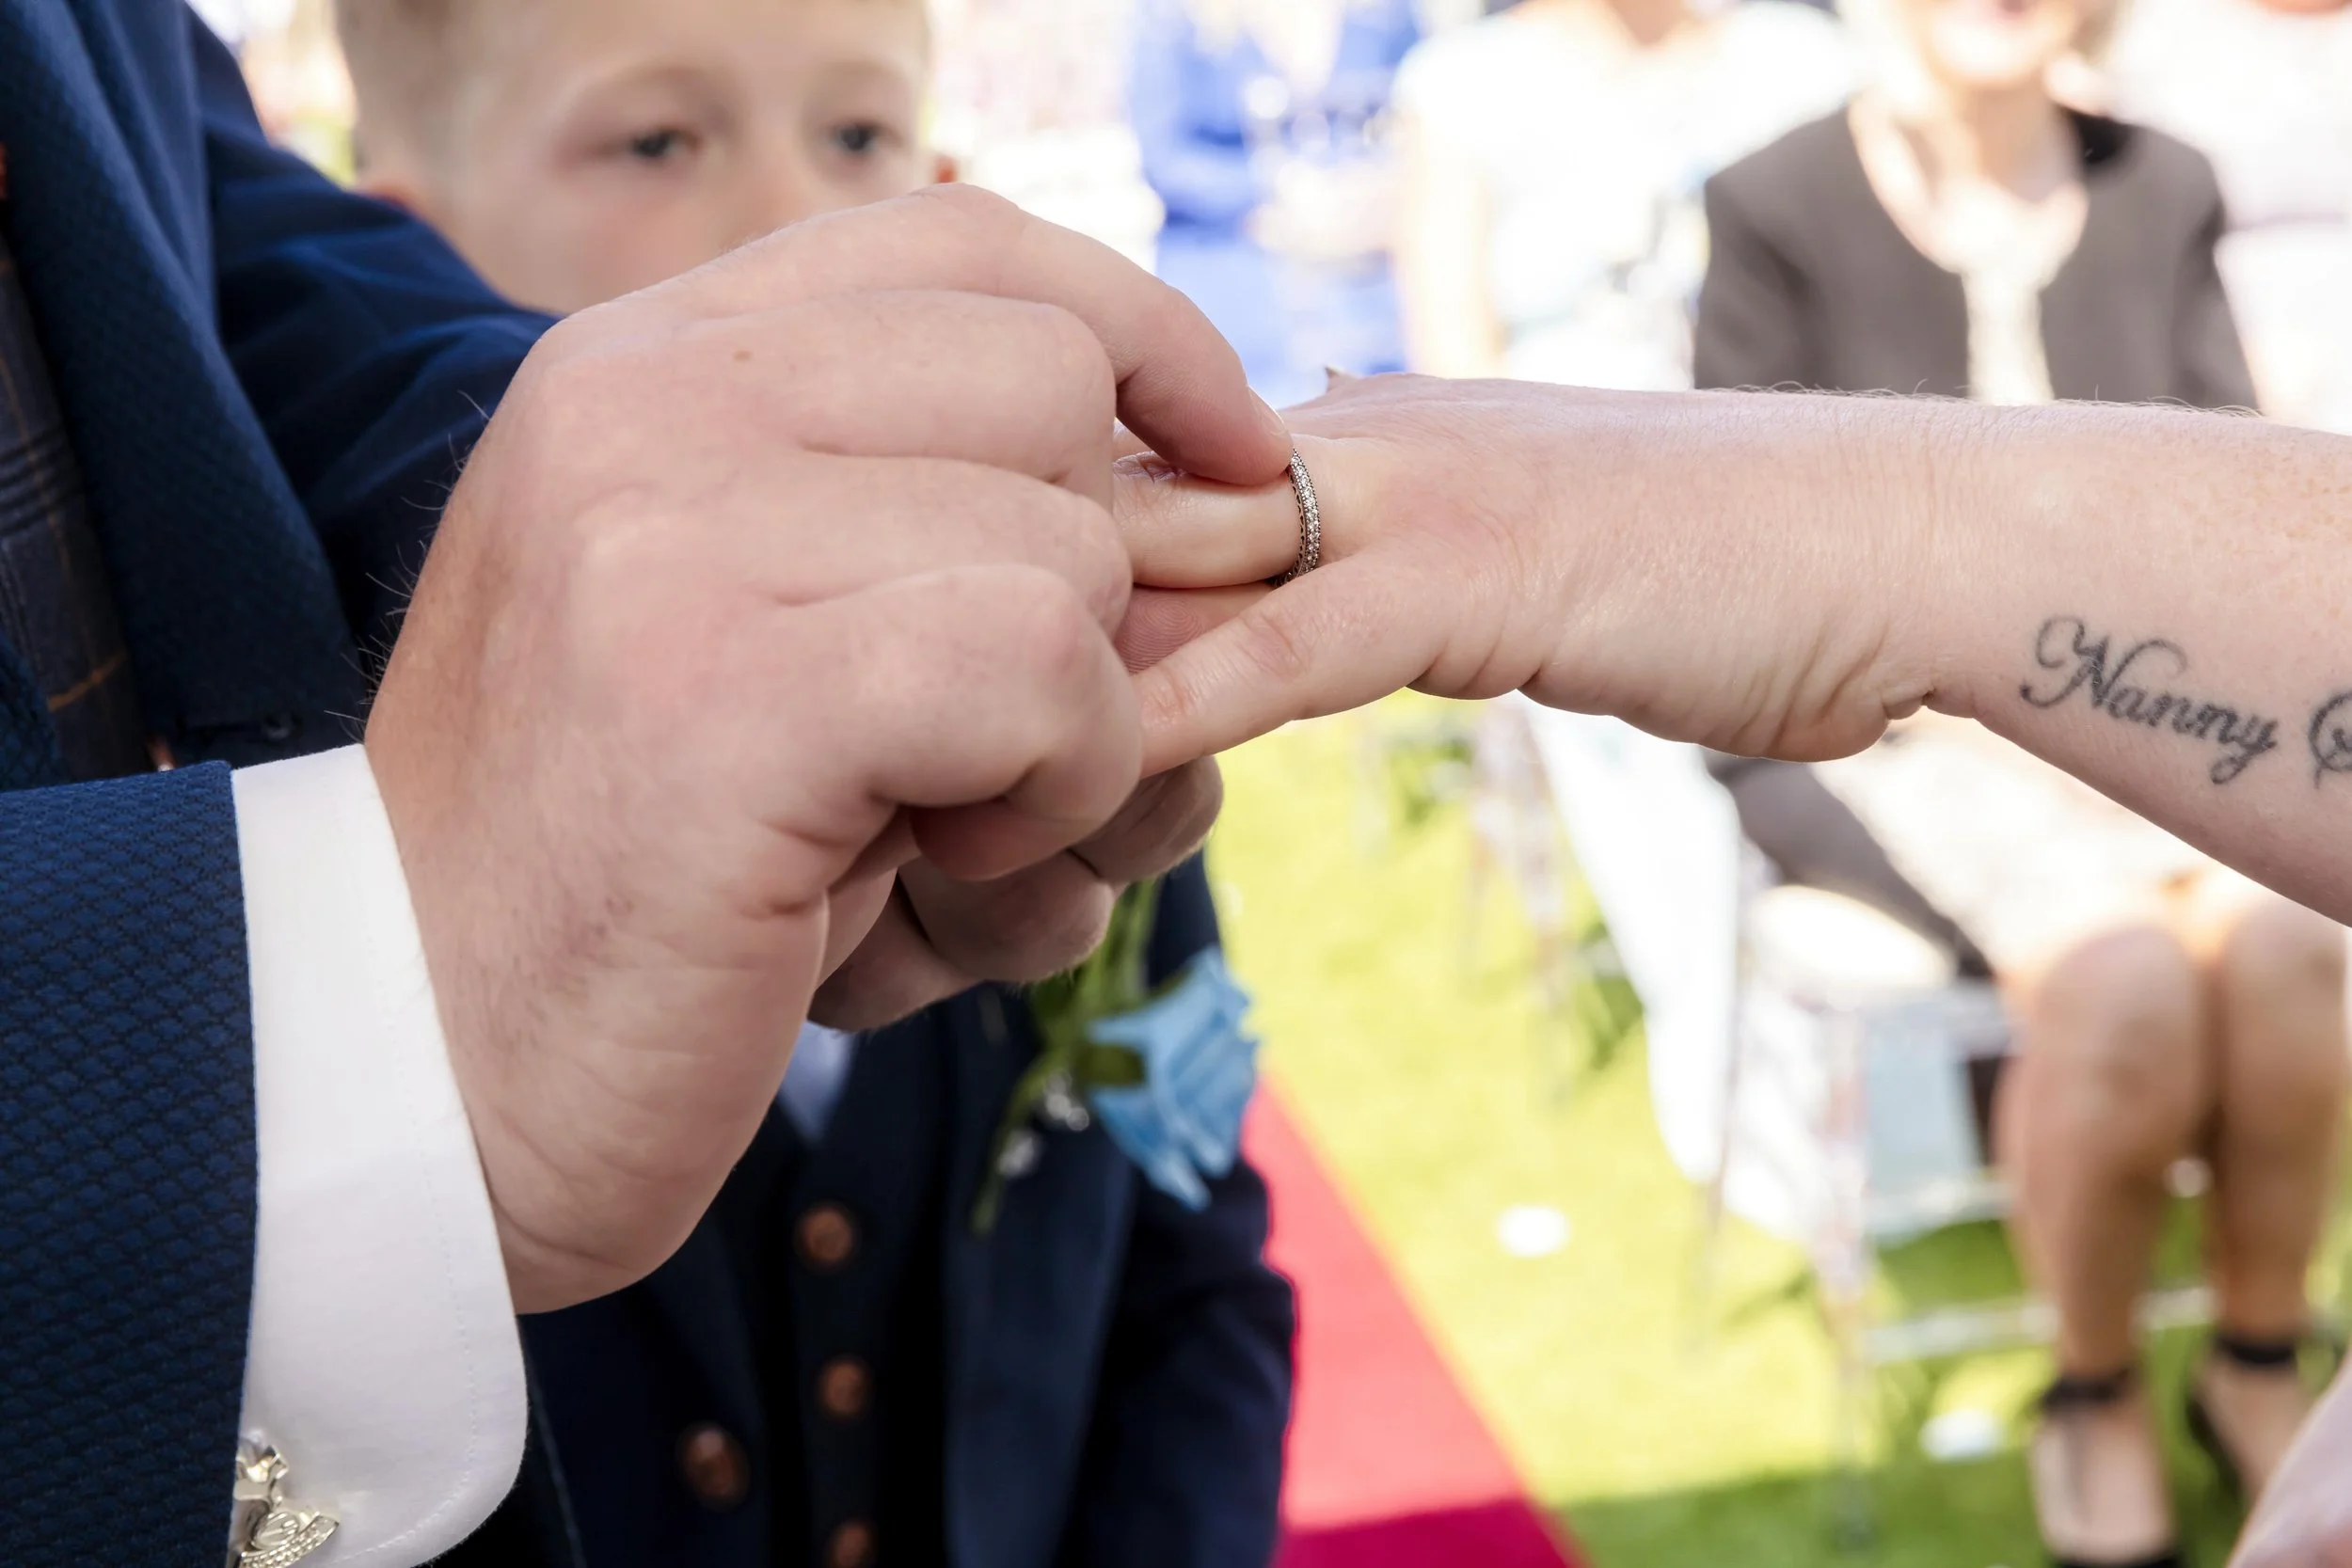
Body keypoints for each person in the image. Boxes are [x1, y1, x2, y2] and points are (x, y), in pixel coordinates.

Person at [0, 1, 1288, 1562]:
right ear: (420, 208)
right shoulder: (348, 747)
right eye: (659, 141)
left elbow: (1195, 1275)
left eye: (862, 139)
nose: (792, 217)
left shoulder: (1031, 673)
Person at [1692, 0, 2344, 1558]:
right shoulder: (1777, 201)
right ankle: (2096, 1381)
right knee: (2120, 987)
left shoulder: (2159, 183)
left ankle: (2259, 1357)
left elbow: (2234, 495)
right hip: (1890, 726)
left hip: (2145, 707)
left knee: (2291, 951)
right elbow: (1741, 547)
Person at [1390, 0, 1851, 388]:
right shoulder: (1458, 83)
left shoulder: (1806, 62)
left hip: (1779, 455)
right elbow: (1453, 360)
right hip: (1546, 464)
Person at [1129, 0, 1422, 407]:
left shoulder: (1387, 11)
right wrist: (1279, 190)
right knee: (1259, 450)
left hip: (1367, 295)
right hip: (1239, 292)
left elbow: (1421, 119)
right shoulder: (1171, 16)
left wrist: (1376, 191)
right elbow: (1165, 161)